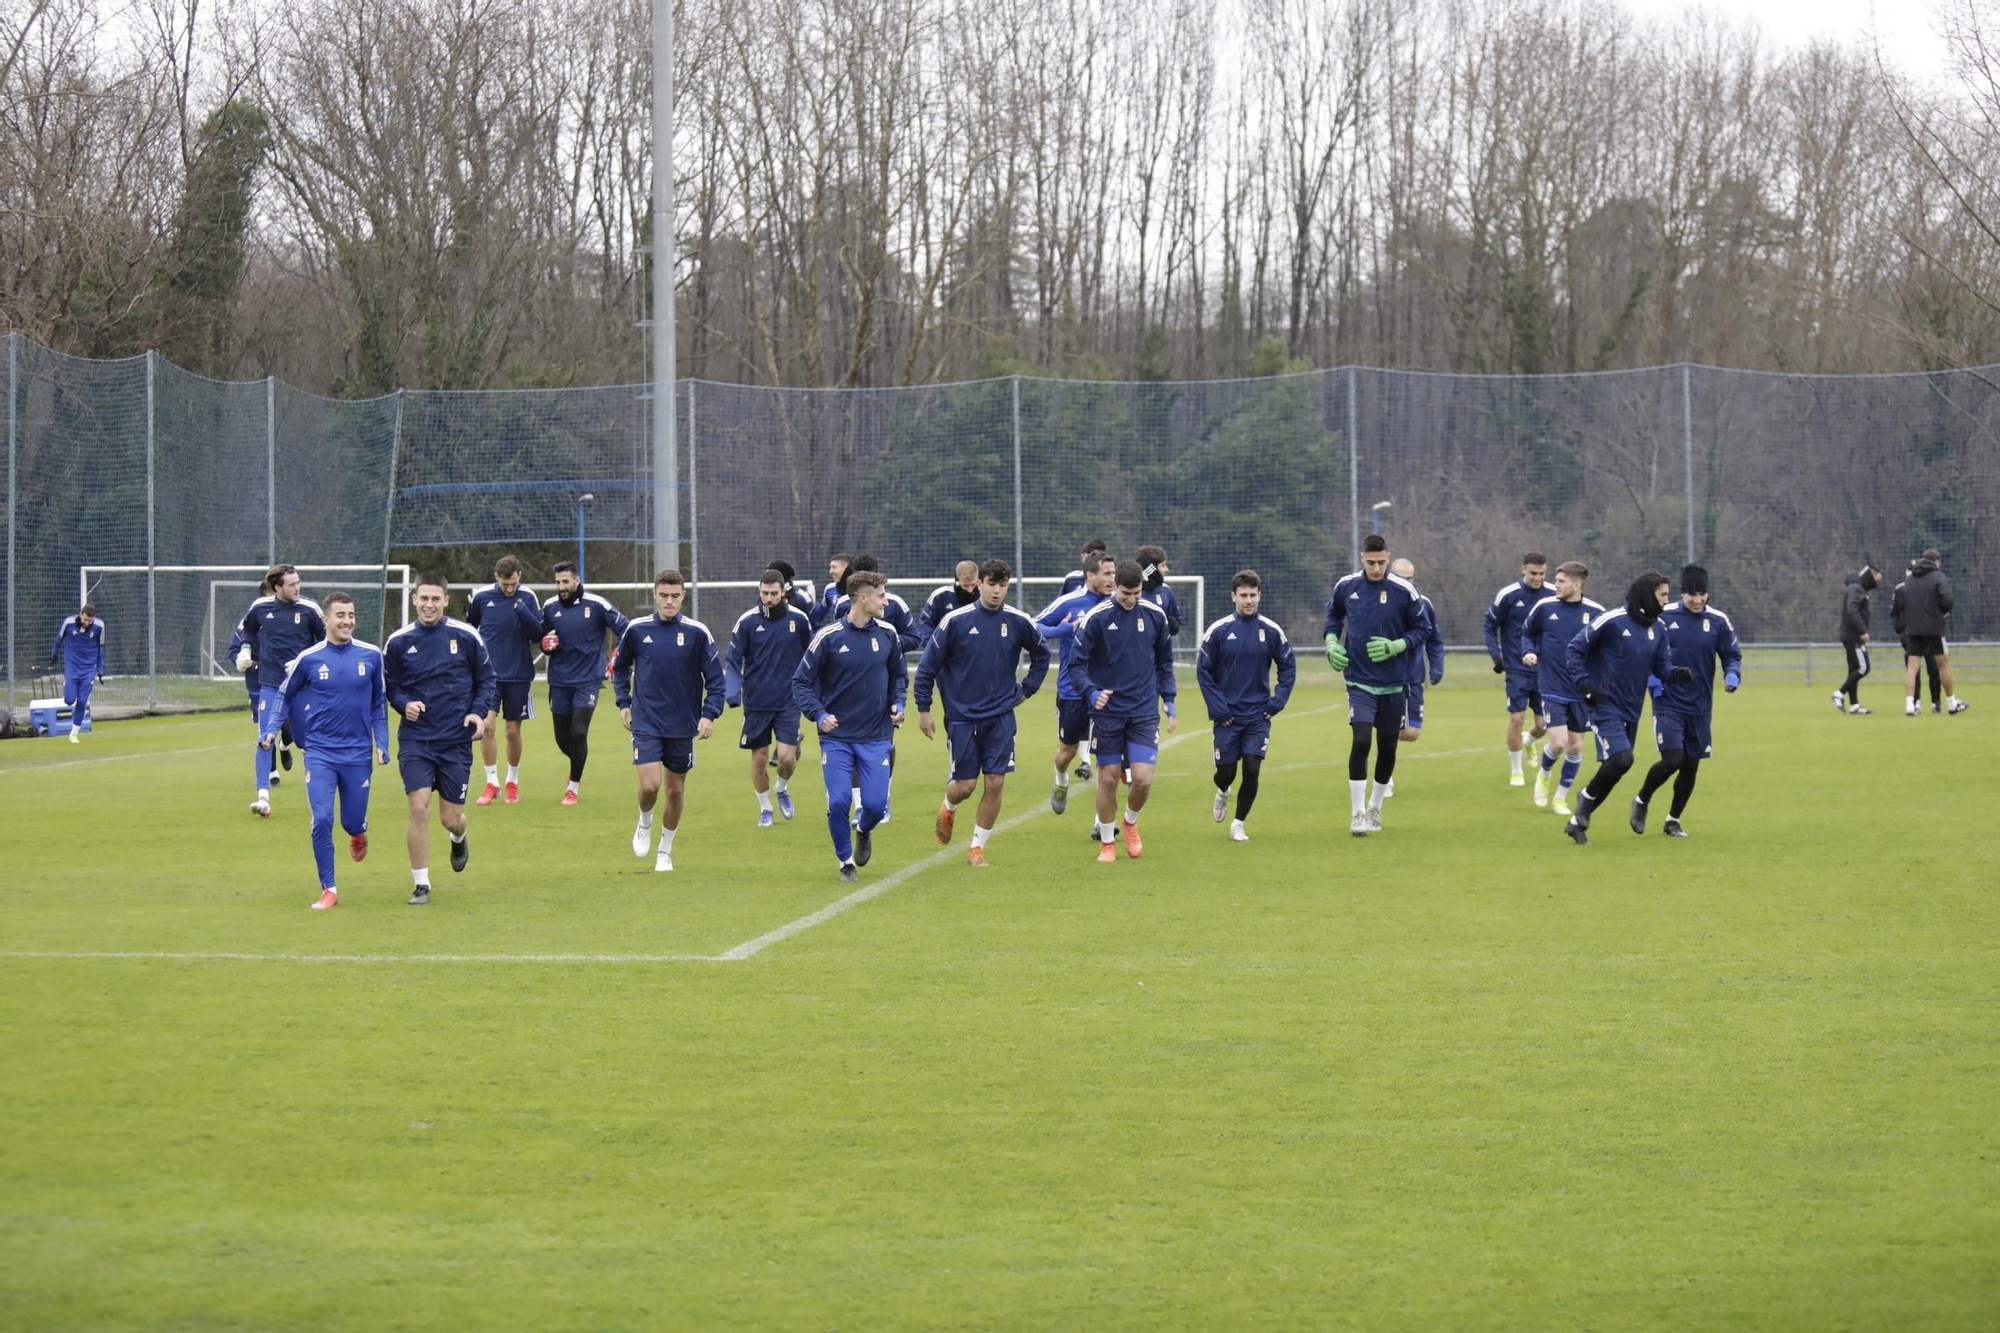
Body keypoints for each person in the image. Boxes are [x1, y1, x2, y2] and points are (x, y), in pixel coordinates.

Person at [913, 559, 1050, 865]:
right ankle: (949, 805)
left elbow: (1042, 654)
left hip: (1001, 716)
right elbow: (927, 667)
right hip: (962, 717)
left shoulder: (1018, 621)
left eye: (1003, 586)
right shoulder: (956, 621)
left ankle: (976, 848)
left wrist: (1027, 689)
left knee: (995, 782)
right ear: (979, 584)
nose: (997, 591)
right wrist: (924, 709)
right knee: (966, 786)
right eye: (991, 584)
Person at [260, 591, 389, 909]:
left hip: (357, 753)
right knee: (321, 819)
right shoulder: (309, 659)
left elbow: (378, 704)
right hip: (319, 752)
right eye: (341, 615)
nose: (347, 621)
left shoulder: (371, 656)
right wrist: (271, 729)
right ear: (326, 620)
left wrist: (382, 742)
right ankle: (329, 888)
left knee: (351, 822)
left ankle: (359, 832)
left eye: (351, 615)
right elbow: (283, 695)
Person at [385, 574, 497, 904]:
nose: (429, 604)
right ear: (414, 600)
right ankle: (422, 884)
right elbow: (390, 687)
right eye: (423, 598)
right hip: (417, 741)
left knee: (449, 818)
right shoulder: (398, 641)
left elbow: (486, 680)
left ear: (446, 601)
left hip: (455, 742)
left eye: (436, 599)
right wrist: (405, 704)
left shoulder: (466, 635)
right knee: (418, 809)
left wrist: (478, 712)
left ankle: (459, 836)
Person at [792, 569, 907, 882]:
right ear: (863, 598)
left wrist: (899, 703)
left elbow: (899, 675)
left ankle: (864, 831)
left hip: (876, 736)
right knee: (840, 800)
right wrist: (818, 714)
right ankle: (845, 862)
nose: (886, 601)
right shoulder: (828, 638)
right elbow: (801, 682)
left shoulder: (888, 634)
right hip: (837, 737)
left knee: (874, 805)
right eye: (881, 595)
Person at [1560, 571, 1687, 846]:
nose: (1668, 600)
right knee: (1622, 759)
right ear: (1647, 594)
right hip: (1603, 703)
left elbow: (1662, 666)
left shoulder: (1659, 628)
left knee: (1617, 766)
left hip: (1632, 708)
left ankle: (1575, 823)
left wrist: (1676, 674)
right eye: (1663, 594)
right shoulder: (1613, 619)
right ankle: (1584, 800)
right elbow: (1574, 649)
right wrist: (1585, 685)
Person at [614, 570, 726, 872]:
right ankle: (645, 821)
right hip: (646, 722)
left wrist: (708, 714)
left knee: (675, 791)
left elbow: (716, 681)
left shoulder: (697, 633)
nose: (669, 601)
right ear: (654, 594)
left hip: (682, 725)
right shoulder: (637, 630)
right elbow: (620, 666)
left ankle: (665, 850)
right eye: (664, 595)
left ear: (683, 596)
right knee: (650, 786)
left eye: (675, 596)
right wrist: (624, 702)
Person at [1069, 559, 1178, 862]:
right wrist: (1092, 692)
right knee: (1108, 779)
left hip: (1143, 710)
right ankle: (1107, 843)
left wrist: (1169, 700)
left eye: (1137, 593)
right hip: (1107, 713)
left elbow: (1164, 664)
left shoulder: (1156, 616)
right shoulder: (1097, 618)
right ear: (1114, 586)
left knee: (1142, 779)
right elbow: (1075, 665)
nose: (1131, 599)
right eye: (1125, 593)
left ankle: (1129, 822)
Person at [1324, 535, 1429, 835]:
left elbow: (1423, 629)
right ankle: (1357, 813)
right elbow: (1333, 617)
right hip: (1359, 680)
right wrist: (1331, 643)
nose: (1376, 568)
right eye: (1371, 563)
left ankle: (1375, 808)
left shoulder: (1404, 590)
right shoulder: (1347, 587)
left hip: (1395, 683)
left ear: (1388, 557)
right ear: (1362, 559)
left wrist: (1398, 645)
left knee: (1388, 745)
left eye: (1381, 562)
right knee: (1360, 741)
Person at [1631, 565, 1741, 837]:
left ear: (1707, 594)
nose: (1697, 600)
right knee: (1672, 760)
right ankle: (1642, 799)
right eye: (1692, 595)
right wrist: (1654, 684)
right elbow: (1646, 649)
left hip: (1701, 706)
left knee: (1691, 764)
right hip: (1668, 701)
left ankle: (1673, 820)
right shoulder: (1663, 616)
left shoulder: (1718, 621)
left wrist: (1732, 675)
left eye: (1702, 594)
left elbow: (1731, 654)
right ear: (1682, 594)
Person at [1195, 570, 1296, 842]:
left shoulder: (1272, 631)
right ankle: (1223, 790)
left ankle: (1238, 823)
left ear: (1259, 596)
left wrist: (1277, 702)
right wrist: (1219, 709)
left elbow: (1288, 667)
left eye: (1253, 595)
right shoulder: (1218, 631)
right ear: (1233, 597)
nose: (1248, 600)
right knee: (1226, 772)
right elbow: (1203, 672)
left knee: (1252, 768)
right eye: (1243, 595)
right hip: (1227, 716)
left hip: (1258, 715)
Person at [236, 565, 326, 817]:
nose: (297, 588)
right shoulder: (260, 608)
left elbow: (327, 643)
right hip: (271, 686)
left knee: (307, 742)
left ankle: (319, 798)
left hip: (302, 689)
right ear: (277, 588)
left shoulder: (310, 610)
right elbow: (248, 630)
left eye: (298, 583)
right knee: (265, 739)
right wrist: (245, 650)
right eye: (291, 584)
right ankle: (263, 798)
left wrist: (305, 663)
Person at [538, 560, 630, 805]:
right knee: (562, 738)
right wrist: (545, 645)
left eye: (566, 581)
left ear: (577, 581)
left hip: (588, 680)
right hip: (559, 681)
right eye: (558, 582)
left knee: (578, 733)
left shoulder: (597, 604)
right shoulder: (549, 607)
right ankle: (578, 763)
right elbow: (543, 638)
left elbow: (627, 629)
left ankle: (573, 787)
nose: (561, 587)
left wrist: (617, 654)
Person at [728, 568, 814, 826]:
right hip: (757, 702)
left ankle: (781, 788)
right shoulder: (747, 622)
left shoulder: (799, 620)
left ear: (784, 591)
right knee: (760, 758)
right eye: (764, 593)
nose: (768, 598)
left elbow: (813, 656)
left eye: (773, 593)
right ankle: (765, 808)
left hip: (789, 700)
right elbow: (732, 660)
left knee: (787, 758)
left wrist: (816, 689)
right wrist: (732, 692)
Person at [1521, 561, 1604, 816]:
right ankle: (1544, 776)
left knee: (1576, 747)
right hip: (1552, 686)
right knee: (1558, 743)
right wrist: (1528, 652)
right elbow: (1526, 632)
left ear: (1577, 585)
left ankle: (1560, 797)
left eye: (1560, 581)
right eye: (1555, 581)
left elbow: (1605, 649)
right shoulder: (1545, 607)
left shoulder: (1597, 612)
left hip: (1580, 690)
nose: (1554, 585)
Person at [1035, 552, 1115, 814]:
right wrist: (1063, 630)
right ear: (1090, 575)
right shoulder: (1070, 602)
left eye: (1114, 574)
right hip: (1072, 690)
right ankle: (1061, 779)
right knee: (1067, 752)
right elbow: (1034, 627)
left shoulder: (1118, 604)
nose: (1112, 579)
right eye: (1107, 574)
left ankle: (1101, 824)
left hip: (1105, 691)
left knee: (1106, 758)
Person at [466, 554, 543, 804]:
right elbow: (471, 630)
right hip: (489, 676)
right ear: (496, 577)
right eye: (504, 584)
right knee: (486, 727)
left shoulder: (528, 597)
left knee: (512, 732)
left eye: (513, 584)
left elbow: (537, 635)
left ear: (519, 575)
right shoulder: (482, 598)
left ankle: (512, 781)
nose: (509, 589)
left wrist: (522, 611)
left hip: (518, 674)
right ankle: (492, 783)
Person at [1482, 553, 1549, 786]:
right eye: (1533, 573)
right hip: (1516, 668)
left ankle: (1528, 742)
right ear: (1523, 570)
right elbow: (1490, 626)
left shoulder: (1552, 594)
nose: (1538, 578)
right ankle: (1516, 771)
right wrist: (1496, 655)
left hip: (1545, 671)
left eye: (1542, 574)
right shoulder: (1508, 595)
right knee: (1517, 717)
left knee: (1543, 725)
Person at [1380, 558, 1445, 799]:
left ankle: (1383, 734)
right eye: (1403, 579)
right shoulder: (1382, 602)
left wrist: (1436, 668)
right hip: (1387, 678)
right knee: (1391, 727)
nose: (1409, 584)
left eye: (1412, 579)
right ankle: (1385, 777)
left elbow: (1434, 639)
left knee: (1411, 733)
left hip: (1414, 678)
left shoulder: (1424, 604)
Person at [1899, 549, 1968, 715]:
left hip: (1913, 629)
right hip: (1934, 628)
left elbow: (1904, 601)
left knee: (1912, 667)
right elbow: (1947, 599)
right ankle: (1951, 703)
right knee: (1943, 665)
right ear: (1936, 562)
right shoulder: (1939, 577)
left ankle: (1910, 705)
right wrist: (1943, 612)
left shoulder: (1910, 580)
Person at [50, 603, 106, 744]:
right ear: (81, 614)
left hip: (88, 669)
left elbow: (101, 648)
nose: (87, 623)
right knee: (69, 700)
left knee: (82, 701)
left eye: (90, 620)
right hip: (72, 667)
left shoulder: (100, 626)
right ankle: (67, 684)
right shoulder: (69, 623)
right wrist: (54, 656)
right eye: (85, 619)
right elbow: (58, 640)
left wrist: (100, 669)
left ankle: (74, 734)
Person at [1834, 563, 1883, 715]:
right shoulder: (1857, 589)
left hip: (1849, 636)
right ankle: (1839, 694)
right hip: (1854, 637)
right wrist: (1862, 631)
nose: (1877, 583)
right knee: (1863, 668)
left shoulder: (1855, 588)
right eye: (1876, 579)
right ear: (1870, 575)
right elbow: (1852, 609)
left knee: (1853, 670)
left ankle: (1854, 705)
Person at [918, 561, 981, 643]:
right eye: (965, 585)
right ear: (957, 581)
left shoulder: (984, 597)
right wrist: (934, 650)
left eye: (973, 585)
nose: (970, 590)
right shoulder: (940, 596)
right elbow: (926, 627)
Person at [1136, 544, 1182, 638]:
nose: (1167, 570)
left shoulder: (1166, 591)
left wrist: (1170, 624)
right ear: (1151, 569)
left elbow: (1176, 623)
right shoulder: (1131, 591)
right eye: (1163, 566)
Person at [813, 552, 852, 628]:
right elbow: (817, 617)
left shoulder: (860, 590)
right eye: (830, 567)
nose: (830, 571)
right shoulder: (829, 589)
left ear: (846, 568)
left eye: (834, 567)